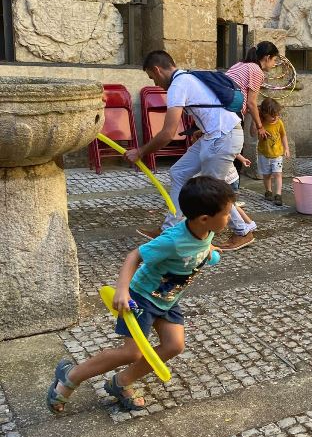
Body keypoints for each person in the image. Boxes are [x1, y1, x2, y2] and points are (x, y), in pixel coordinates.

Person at [46, 177, 234, 413]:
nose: (230, 217)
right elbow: (134, 256)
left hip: (167, 299)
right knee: (131, 351)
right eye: (227, 214)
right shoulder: (172, 241)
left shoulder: (206, 230)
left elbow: (197, 247)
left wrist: (208, 251)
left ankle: (121, 382)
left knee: (174, 345)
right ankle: (70, 377)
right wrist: (122, 290)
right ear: (205, 218)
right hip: (141, 296)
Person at [127, 50, 256, 251]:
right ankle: (171, 229)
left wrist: (141, 152)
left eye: (152, 78)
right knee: (178, 173)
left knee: (211, 192)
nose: (155, 84)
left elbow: (168, 133)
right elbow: (210, 106)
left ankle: (243, 231)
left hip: (223, 137)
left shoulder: (178, 85)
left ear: (157, 70)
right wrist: (199, 128)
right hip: (213, 136)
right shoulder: (188, 77)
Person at [225, 41, 281, 180]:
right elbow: (251, 102)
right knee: (235, 151)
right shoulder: (256, 71)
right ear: (267, 57)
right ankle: (232, 189)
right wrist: (260, 126)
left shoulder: (241, 64)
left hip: (222, 110)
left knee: (225, 150)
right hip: (232, 113)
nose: (274, 64)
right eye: (274, 60)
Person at [255, 98, 290, 206]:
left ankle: (278, 194)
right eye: (272, 115)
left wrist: (286, 148)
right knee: (267, 175)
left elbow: (283, 135)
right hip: (264, 154)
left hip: (277, 154)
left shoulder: (279, 122)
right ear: (265, 114)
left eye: (277, 114)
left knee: (278, 174)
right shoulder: (261, 123)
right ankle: (268, 191)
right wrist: (255, 121)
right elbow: (252, 133)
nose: (275, 117)